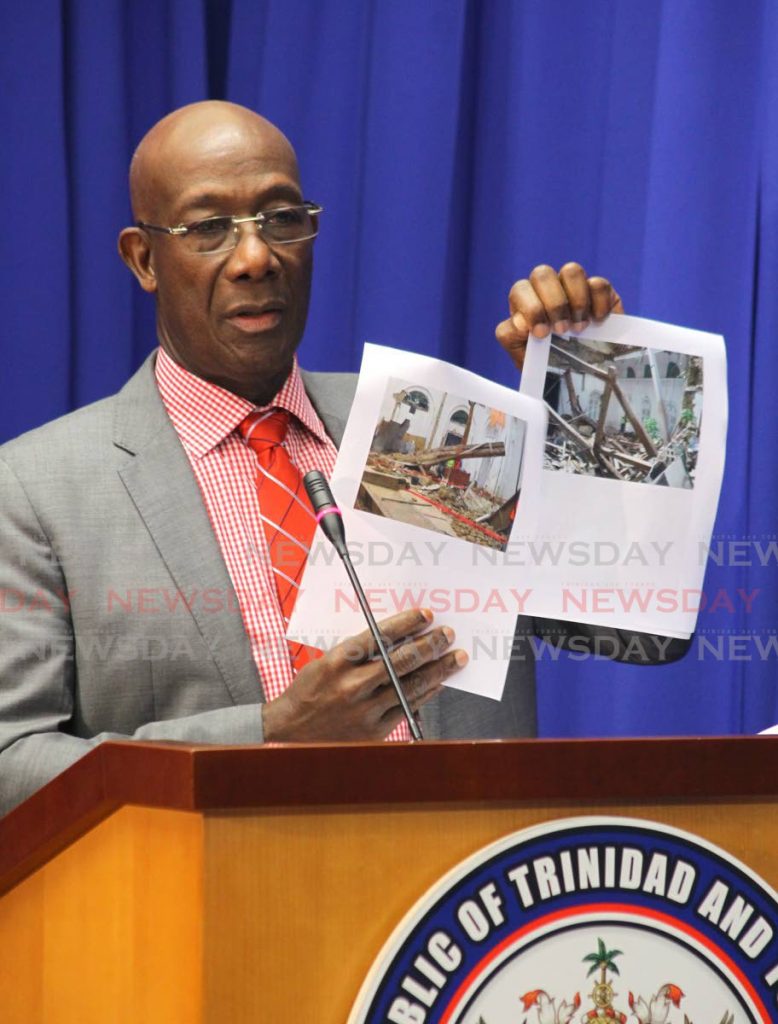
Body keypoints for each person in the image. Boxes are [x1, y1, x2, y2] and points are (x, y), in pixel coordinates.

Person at [0, 101, 685, 817]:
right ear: (144, 258)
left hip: (461, 908)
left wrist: (590, 382)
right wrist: (268, 737)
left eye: (281, 218)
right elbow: (11, 765)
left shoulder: (426, 431)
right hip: (212, 910)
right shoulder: (37, 491)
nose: (256, 257)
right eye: (208, 228)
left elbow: (641, 629)